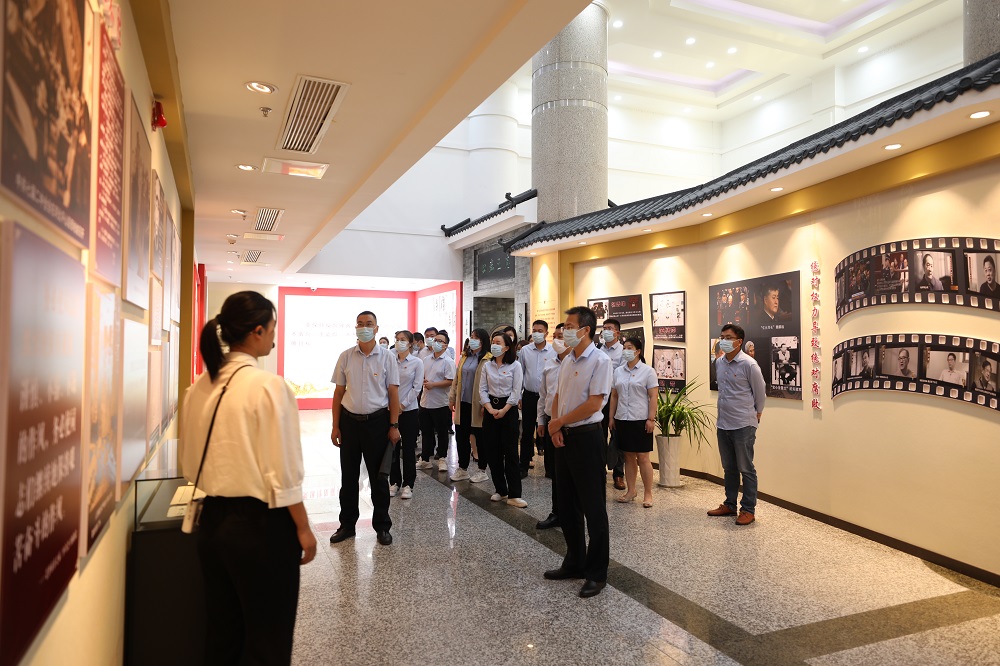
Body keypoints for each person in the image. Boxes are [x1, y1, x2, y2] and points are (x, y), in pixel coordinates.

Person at [180, 291, 316, 665]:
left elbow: (189, 462)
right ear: (257, 331)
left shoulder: (199, 386)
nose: (273, 336)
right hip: (261, 528)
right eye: (272, 328)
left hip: (211, 522)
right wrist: (303, 528)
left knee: (223, 635)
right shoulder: (269, 386)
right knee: (268, 639)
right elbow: (283, 472)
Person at [544, 306, 613, 598]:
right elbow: (558, 395)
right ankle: (574, 561)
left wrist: (560, 422)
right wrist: (555, 426)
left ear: (586, 330)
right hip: (564, 437)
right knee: (567, 504)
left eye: (570, 326)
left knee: (593, 507)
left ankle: (596, 573)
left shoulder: (600, 361)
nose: (565, 331)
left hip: (587, 438)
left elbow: (594, 403)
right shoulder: (567, 359)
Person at [330, 311, 400, 546]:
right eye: (360, 324)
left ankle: (382, 526)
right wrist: (335, 425)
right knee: (349, 477)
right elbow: (338, 393)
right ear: (355, 327)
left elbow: (393, 394)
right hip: (349, 423)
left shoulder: (387, 357)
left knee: (378, 478)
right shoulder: (346, 356)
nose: (364, 327)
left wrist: (394, 425)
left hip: (377, 423)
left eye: (369, 324)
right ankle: (347, 525)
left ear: (377, 328)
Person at [707, 324, 766, 526]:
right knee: (729, 468)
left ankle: (748, 509)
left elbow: (760, 393)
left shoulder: (749, 364)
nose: (723, 340)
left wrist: (757, 413)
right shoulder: (719, 362)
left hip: (743, 424)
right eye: (722, 337)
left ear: (739, 341)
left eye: (728, 337)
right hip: (723, 423)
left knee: (746, 468)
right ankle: (729, 504)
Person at [608, 337, 658, 508]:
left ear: (638, 351)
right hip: (623, 418)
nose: (626, 351)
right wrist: (611, 417)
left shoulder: (648, 371)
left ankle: (648, 493)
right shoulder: (618, 371)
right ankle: (631, 491)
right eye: (624, 348)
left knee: (643, 457)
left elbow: (653, 397)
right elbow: (614, 396)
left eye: (629, 348)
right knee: (628, 457)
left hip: (641, 419)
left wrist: (651, 418)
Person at [478, 332, 525, 506]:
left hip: (508, 410)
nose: (494, 345)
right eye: (493, 342)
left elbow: (516, 390)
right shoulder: (487, 365)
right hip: (491, 408)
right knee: (493, 451)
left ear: (506, 347)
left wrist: (504, 410)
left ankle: (514, 494)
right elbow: (482, 389)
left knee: (510, 452)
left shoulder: (515, 366)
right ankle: (500, 490)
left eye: (498, 342)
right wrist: (489, 407)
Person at [535, 324, 570, 529]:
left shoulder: (577, 364)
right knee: (555, 472)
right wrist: (541, 420)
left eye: (561, 336)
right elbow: (543, 395)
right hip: (550, 422)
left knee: (571, 473)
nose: (557, 340)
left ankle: (573, 514)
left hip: (571, 424)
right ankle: (557, 512)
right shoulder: (549, 364)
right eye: (555, 336)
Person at [449, 327, 491, 483]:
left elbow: (490, 383)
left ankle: (482, 469)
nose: (472, 340)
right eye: (472, 336)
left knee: (480, 437)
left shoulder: (488, 358)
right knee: (461, 436)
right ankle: (463, 468)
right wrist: (452, 398)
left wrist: (486, 403)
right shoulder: (465, 356)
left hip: (478, 404)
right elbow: (456, 379)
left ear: (483, 341)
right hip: (463, 402)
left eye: (476, 337)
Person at [518, 320, 556, 477]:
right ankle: (523, 466)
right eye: (534, 330)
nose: (536, 333)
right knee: (527, 432)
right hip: (529, 395)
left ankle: (550, 468)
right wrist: (519, 395)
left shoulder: (553, 351)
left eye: (540, 331)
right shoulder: (525, 350)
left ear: (546, 333)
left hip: (547, 397)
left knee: (547, 431)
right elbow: (520, 373)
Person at [390, 330, 423, 500]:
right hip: (390, 411)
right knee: (392, 447)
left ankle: (408, 484)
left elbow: (417, 388)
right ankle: (394, 481)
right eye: (397, 339)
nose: (399, 342)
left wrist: (402, 405)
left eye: (403, 339)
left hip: (408, 410)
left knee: (408, 448)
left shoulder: (417, 362)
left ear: (410, 343)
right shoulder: (390, 359)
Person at [416, 330, 455, 472]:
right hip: (426, 402)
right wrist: (424, 382)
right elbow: (421, 376)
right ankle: (425, 458)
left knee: (442, 431)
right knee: (426, 431)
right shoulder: (426, 360)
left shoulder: (448, 361)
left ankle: (442, 458)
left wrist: (434, 384)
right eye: (435, 340)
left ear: (445, 345)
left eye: (440, 341)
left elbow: (450, 381)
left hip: (441, 402)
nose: (436, 342)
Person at [598, 318, 626, 490]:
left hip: (616, 398)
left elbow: (621, 375)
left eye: (609, 328)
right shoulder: (597, 350)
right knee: (599, 436)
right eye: (604, 328)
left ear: (617, 333)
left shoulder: (623, 351)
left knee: (617, 436)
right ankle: (599, 471)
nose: (606, 331)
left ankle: (618, 474)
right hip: (599, 398)